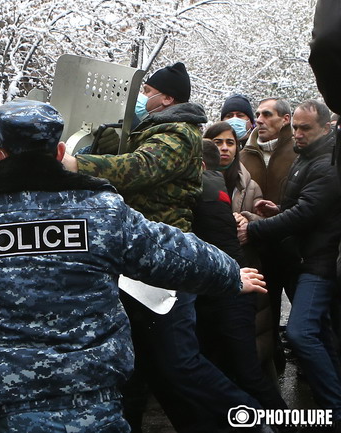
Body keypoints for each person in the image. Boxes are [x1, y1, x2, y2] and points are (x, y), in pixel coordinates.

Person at [0, 100, 267, 433]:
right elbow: (173, 254)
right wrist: (231, 274)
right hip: (95, 401)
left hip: (8, 404)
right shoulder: (101, 213)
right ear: (61, 152)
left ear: (0, 155)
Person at [62, 62, 261, 431]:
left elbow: (139, 168)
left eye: (148, 91)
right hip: (138, 262)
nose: (141, 98)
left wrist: (76, 162)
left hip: (164, 261)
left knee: (180, 362)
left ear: (166, 98)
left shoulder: (178, 133)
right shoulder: (151, 129)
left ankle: (253, 417)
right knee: (141, 364)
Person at [239, 100, 341, 427]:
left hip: (317, 264)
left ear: (326, 128)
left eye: (305, 128)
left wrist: (253, 229)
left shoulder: (327, 163)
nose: (297, 133)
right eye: (294, 127)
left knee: (300, 334)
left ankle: (334, 409)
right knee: (322, 335)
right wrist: (277, 210)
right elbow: (300, 208)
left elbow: (306, 214)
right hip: (305, 258)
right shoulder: (307, 157)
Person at [193, 140, 288, 415]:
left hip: (233, 290)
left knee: (248, 373)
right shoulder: (213, 184)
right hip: (231, 287)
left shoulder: (204, 189)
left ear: (199, 165)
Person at [239, 97, 297, 371]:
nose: (259, 119)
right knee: (266, 306)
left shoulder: (297, 149)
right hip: (258, 243)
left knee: (303, 310)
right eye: (258, 114)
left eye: (267, 114)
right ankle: (273, 359)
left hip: (294, 244)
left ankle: (310, 365)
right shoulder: (245, 153)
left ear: (285, 119)